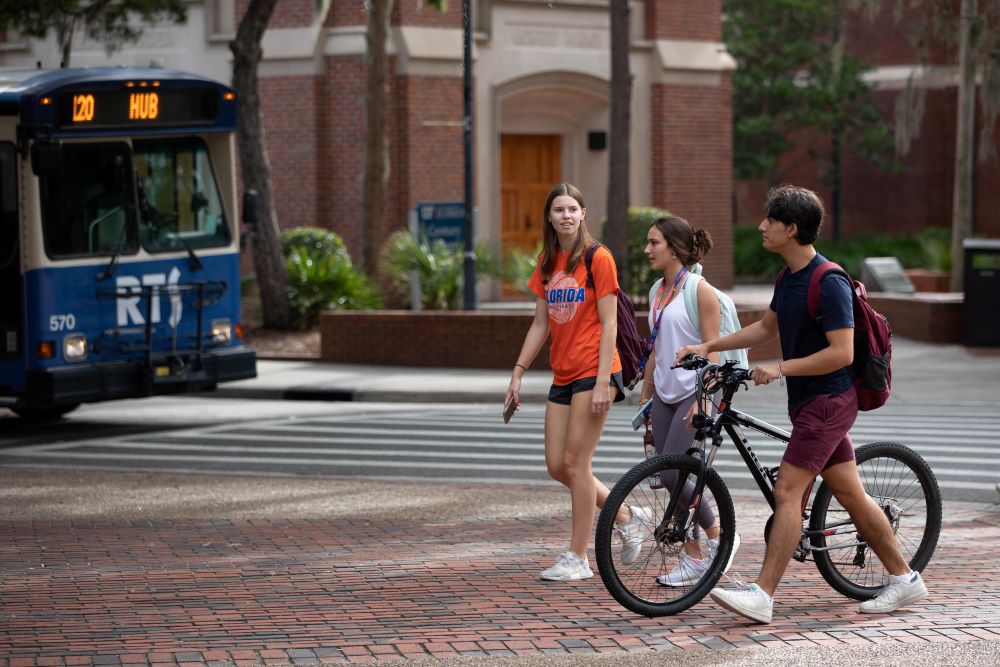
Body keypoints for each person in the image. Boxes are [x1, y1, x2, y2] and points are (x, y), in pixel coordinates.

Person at [676, 185, 928, 624]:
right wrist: (710, 344)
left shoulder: (828, 281)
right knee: (850, 494)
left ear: (792, 228)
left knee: (788, 491)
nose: (761, 227)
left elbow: (842, 353)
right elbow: (766, 326)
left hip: (830, 401)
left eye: (770, 220)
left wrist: (781, 368)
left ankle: (763, 594)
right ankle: (906, 580)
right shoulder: (788, 277)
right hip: (811, 401)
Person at [505, 182, 644, 582]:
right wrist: (518, 372)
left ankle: (578, 557)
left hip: (596, 370)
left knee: (576, 464)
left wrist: (604, 382)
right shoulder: (548, 261)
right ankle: (627, 516)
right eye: (558, 210)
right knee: (556, 465)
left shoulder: (598, 258)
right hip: (563, 372)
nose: (565, 215)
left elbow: (610, 322)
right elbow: (540, 324)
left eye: (572, 209)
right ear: (549, 217)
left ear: (583, 212)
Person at [636, 216, 741, 587]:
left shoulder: (699, 290)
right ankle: (695, 559)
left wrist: (703, 399)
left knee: (672, 474)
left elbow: (713, 350)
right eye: (647, 243)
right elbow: (656, 346)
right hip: (664, 393)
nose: (647, 250)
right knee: (669, 480)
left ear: (675, 248)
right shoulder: (656, 290)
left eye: (654, 243)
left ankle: (719, 536)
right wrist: (646, 391)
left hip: (693, 394)